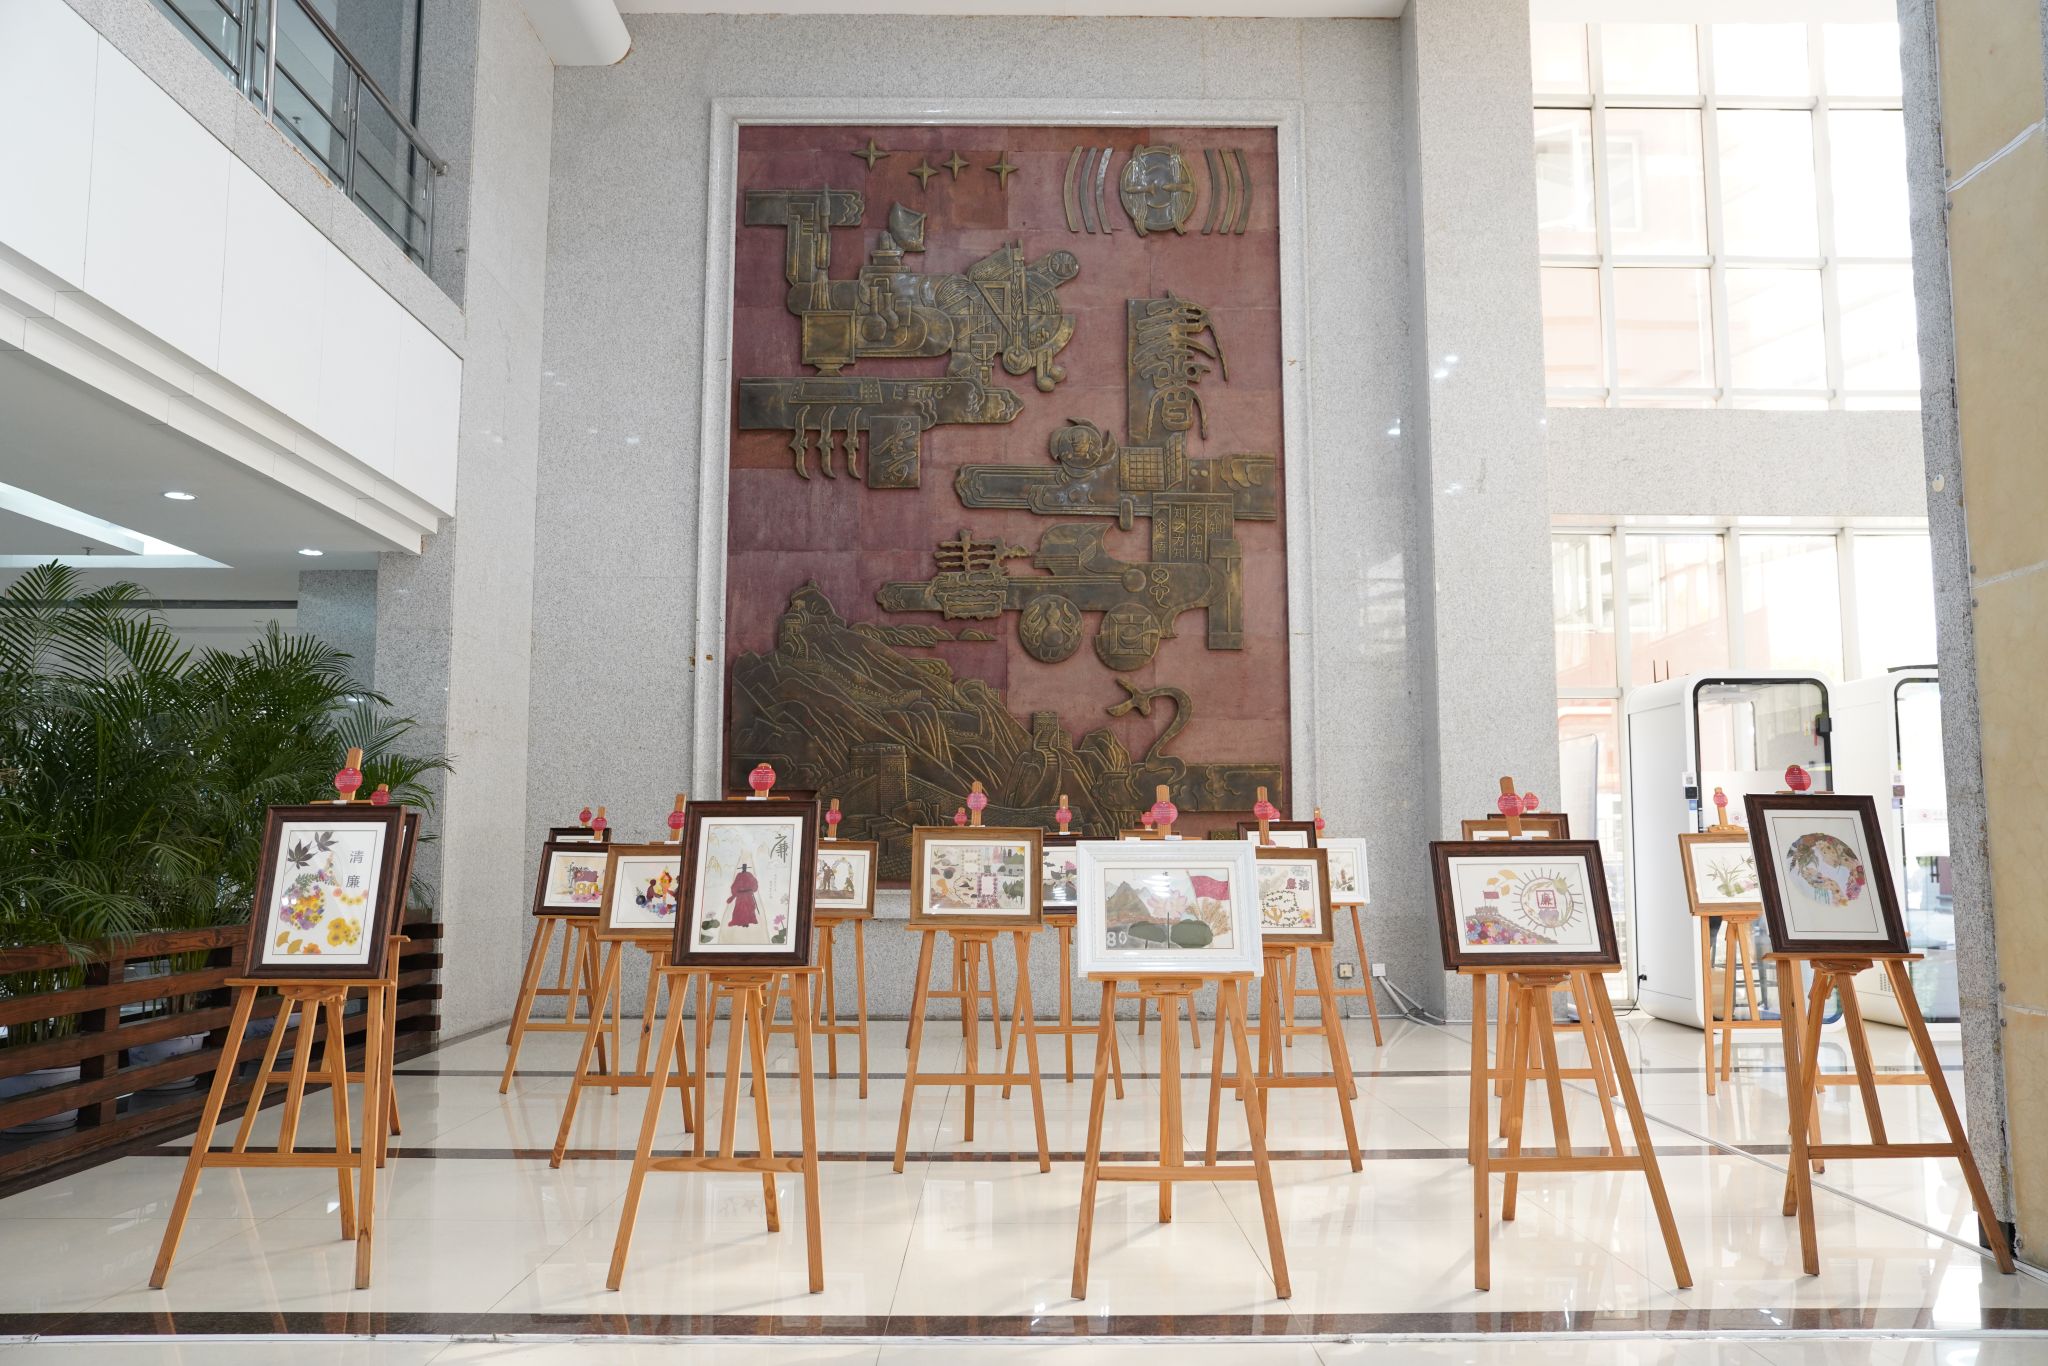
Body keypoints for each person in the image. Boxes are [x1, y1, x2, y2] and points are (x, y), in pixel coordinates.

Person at [728, 862, 760, 927]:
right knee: (740, 909)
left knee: (748, 908)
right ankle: (741, 922)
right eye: (743, 868)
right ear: (742, 868)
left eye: (745, 868)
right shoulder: (739, 875)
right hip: (741, 896)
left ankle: (746, 922)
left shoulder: (749, 875)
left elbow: (754, 883)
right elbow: (735, 885)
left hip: (748, 895)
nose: (744, 869)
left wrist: (752, 889)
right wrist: (735, 893)